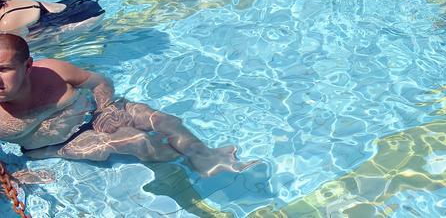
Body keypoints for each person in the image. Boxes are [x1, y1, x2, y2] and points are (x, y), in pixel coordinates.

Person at [0, 34, 255, 176]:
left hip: (96, 113)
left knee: (166, 121)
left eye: (4, 69)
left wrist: (105, 111)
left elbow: (100, 83)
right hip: (60, 144)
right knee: (136, 140)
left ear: (28, 66)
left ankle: (207, 158)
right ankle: (184, 169)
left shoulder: (55, 71)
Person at [0, 0, 103, 39]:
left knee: (33, 47)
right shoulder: (4, 5)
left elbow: (20, 47)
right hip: (73, 5)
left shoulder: (7, 21)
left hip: (81, 15)